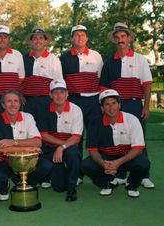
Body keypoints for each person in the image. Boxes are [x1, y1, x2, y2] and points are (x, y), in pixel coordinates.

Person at [100, 22, 154, 188]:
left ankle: (143, 174)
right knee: (118, 140)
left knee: (139, 140)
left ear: (129, 38)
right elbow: (103, 88)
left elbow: (146, 84)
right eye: (117, 37)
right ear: (114, 41)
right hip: (115, 108)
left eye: (123, 36)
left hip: (135, 105)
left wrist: (146, 106)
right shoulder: (109, 63)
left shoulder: (140, 59)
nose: (120, 40)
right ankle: (121, 174)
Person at [82, 89, 150, 198]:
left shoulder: (132, 120)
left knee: (143, 163)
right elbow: (92, 150)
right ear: (102, 108)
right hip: (106, 157)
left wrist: (118, 162)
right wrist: (103, 163)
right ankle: (107, 184)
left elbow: (138, 149)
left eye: (114, 103)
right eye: (107, 104)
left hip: (126, 157)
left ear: (119, 105)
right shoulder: (94, 123)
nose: (111, 107)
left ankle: (131, 184)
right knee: (86, 165)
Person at [0, 90, 52, 201]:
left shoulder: (28, 117)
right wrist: (27, 147)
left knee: (46, 166)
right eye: (9, 101)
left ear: (20, 103)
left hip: (26, 160)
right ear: (3, 105)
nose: (13, 104)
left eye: (16, 101)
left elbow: (38, 142)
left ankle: (24, 183)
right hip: (4, 160)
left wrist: (13, 142)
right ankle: (4, 186)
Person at [60, 25, 103, 185]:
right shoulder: (64, 58)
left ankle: (99, 170)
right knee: (75, 137)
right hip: (74, 101)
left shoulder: (96, 56)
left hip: (93, 100)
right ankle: (76, 174)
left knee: (95, 136)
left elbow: (101, 79)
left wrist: (100, 101)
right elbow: (61, 81)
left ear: (87, 38)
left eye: (83, 35)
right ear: (72, 39)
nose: (80, 38)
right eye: (76, 35)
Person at [37, 79, 83, 202]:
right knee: (59, 187)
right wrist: (61, 146)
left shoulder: (76, 110)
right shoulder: (43, 109)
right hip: (49, 149)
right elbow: (44, 135)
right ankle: (54, 173)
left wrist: (62, 148)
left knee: (73, 154)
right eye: (55, 93)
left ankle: (72, 188)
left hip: (68, 147)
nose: (59, 96)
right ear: (50, 95)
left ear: (67, 93)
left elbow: (76, 137)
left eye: (62, 92)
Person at [22, 26, 63, 124]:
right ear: (31, 41)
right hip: (28, 101)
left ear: (45, 41)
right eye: (35, 38)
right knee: (29, 129)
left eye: (41, 38)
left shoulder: (53, 59)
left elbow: (59, 83)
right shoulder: (23, 59)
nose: (38, 41)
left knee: (46, 130)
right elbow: (19, 80)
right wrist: (20, 94)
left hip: (47, 100)